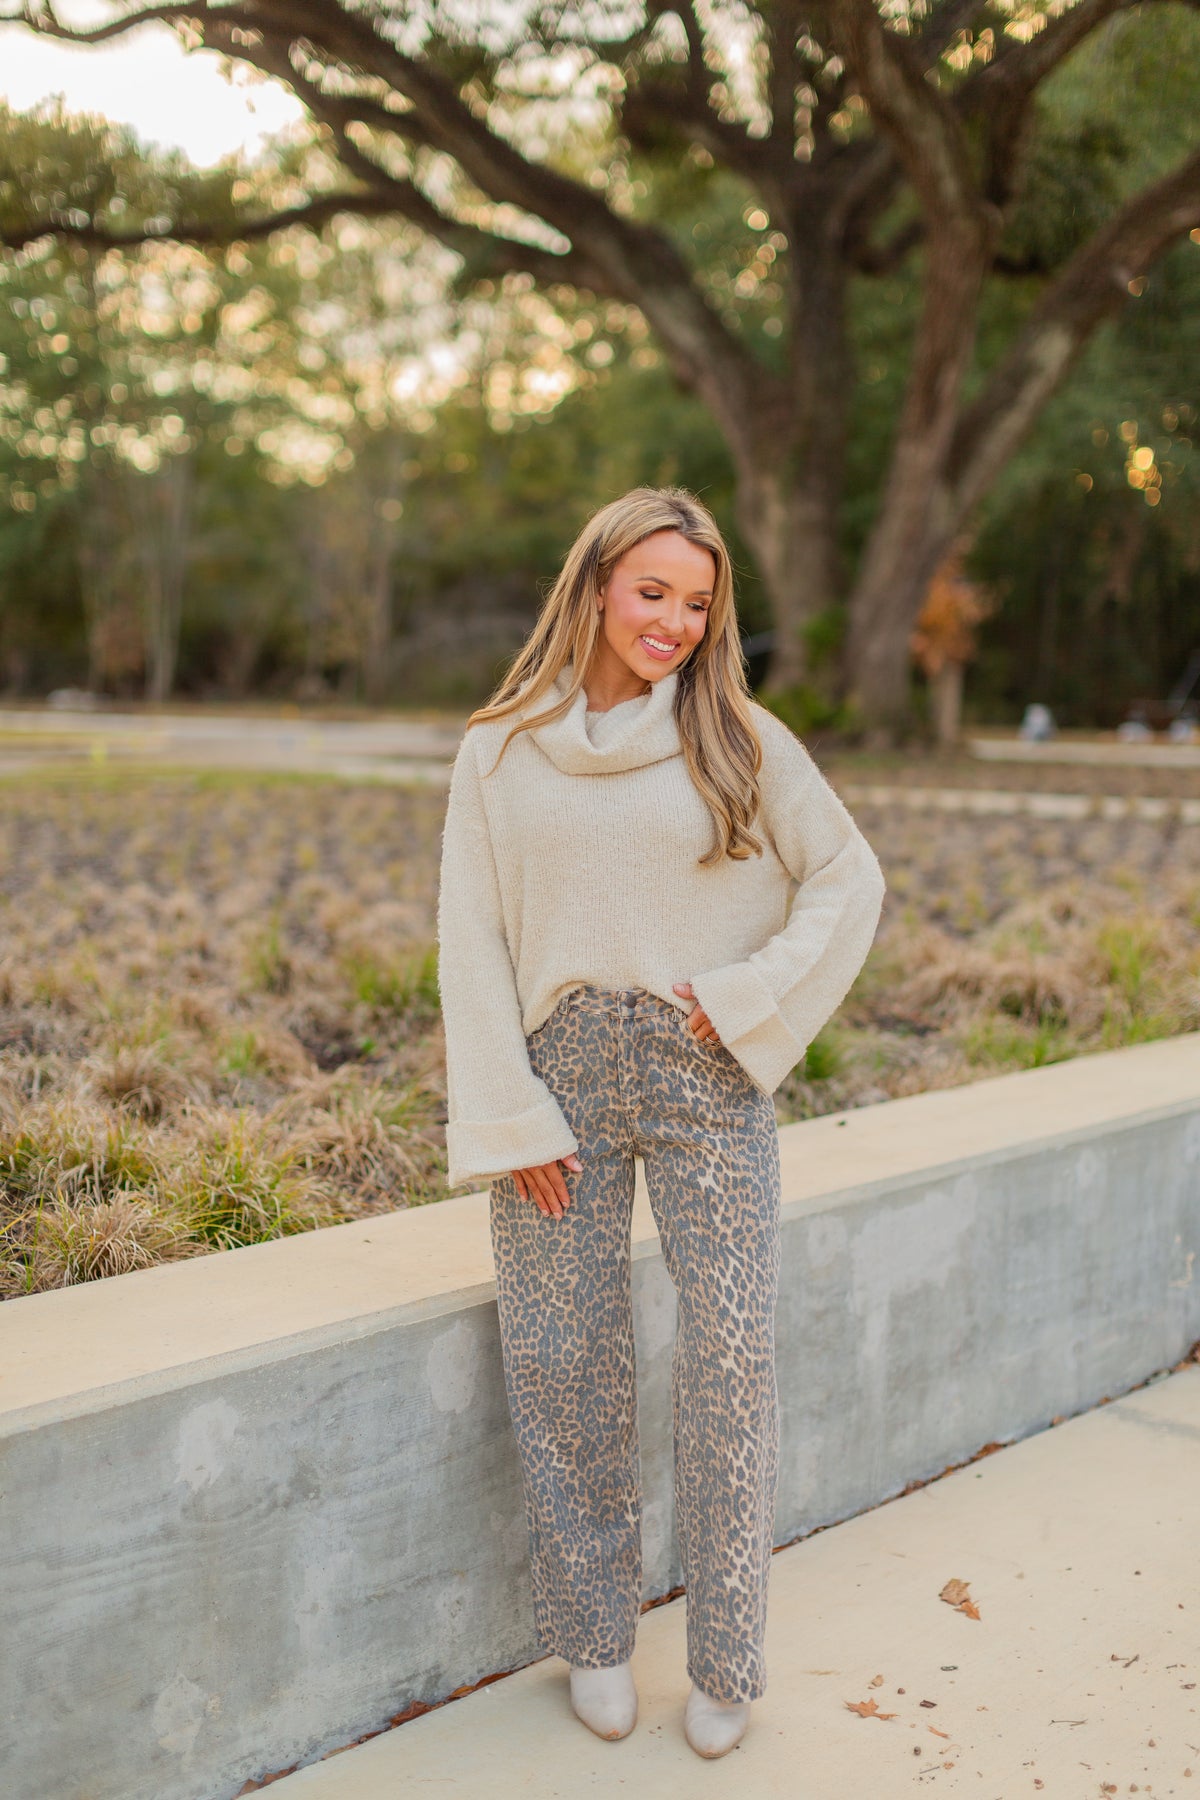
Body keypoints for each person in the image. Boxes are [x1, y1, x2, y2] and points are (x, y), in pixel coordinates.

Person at [436, 486, 884, 1759]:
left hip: (706, 1073)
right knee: (562, 1360)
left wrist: (747, 998)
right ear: (594, 586)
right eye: (652, 593)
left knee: (731, 1361)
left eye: (697, 603)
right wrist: (509, 1112)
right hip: (557, 1082)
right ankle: (594, 1640)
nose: (676, 623)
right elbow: (469, 935)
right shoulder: (499, 752)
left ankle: (728, 1656)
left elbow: (849, 878)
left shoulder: (738, 737)